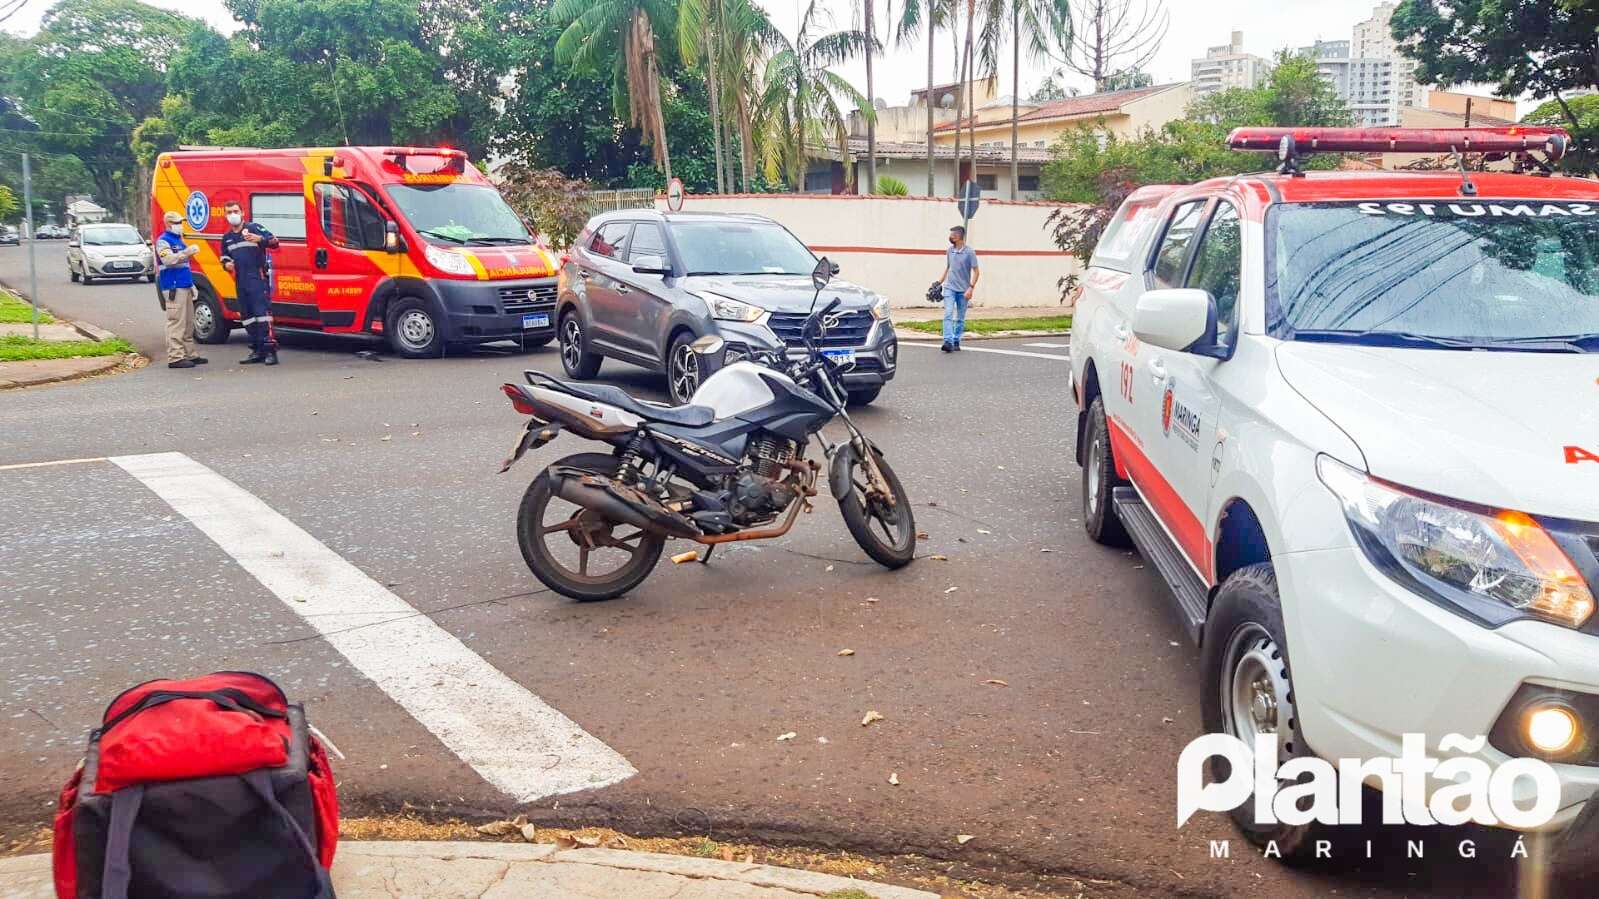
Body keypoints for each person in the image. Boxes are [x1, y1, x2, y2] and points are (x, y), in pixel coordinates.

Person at [219, 199, 280, 365]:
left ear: (242, 213)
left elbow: (275, 242)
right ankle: (256, 350)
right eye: (229, 212)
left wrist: (260, 239)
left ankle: (270, 351)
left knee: (262, 315)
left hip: (257, 278)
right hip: (240, 279)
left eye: (235, 211)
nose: (233, 215)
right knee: (247, 316)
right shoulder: (227, 238)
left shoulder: (253, 228)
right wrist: (227, 264)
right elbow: (223, 257)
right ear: (225, 215)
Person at [156, 211, 206, 369]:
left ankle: (189, 354)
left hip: (184, 285)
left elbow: (184, 267)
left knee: (188, 323)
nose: (180, 225)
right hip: (173, 286)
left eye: (180, 222)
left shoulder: (179, 240)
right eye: (177, 223)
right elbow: (168, 260)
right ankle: (175, 357)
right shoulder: (163, 241)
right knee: (176, 322)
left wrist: (191, 284)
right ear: (169, 224)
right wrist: (186, 253)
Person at [934, 225, 980, 353]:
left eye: (953, 234)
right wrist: (938, 282)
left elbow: (976, 271)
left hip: (963, 290)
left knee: (960, 317)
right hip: (950, 288)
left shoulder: (969, 252)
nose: (950, 236)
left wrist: (971, 288)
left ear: (959, 236)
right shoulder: (949, 251)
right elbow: (948, 268)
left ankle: (956, 340)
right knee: (948, 313)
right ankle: (948, 341)